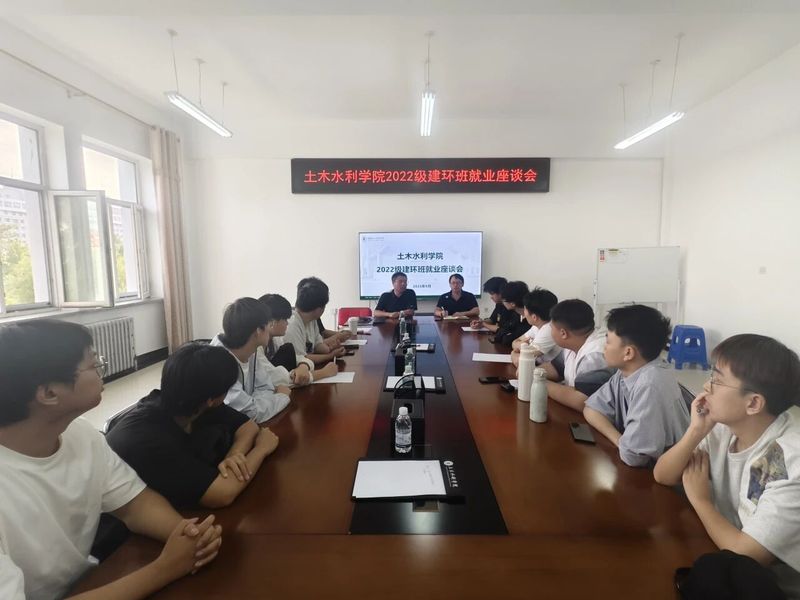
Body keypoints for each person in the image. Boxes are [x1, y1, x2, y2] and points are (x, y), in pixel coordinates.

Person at [0, 320, 222, 600]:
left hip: (89, 582)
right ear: (49, 393)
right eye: (94, 364)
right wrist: (165, 568)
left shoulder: (80, 434)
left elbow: (135, 504)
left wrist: (187, 535)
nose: (101, 369)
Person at [654, 334, 800, 597]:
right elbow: (663, 474)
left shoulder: (788, 459)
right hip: (720, 554)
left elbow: (746, 556)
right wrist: (696, 431)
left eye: (717, 380)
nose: (706, 386)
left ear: (753, 403)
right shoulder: (726, 426)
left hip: (767, 588)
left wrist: (701, 501)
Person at [106, 343, 280, 509]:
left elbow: (248, 427)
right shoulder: (149, 439)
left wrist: (234, 456)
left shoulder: (193, 400)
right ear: (212, 399)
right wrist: (261, 449)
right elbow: (223, 493)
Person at [583, 305, 689, 467]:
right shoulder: (626, 372)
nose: (604, 347)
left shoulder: (650, 383)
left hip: (664, 475)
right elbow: (591, 409)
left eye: (608, 341)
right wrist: (620, 441)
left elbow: (634, 457)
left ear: (628, 353)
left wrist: (625, 445)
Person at [210, 298, 292, 422]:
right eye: (269, 324)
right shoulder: (219, 363)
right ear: (258, 330)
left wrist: (256, 402)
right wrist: (282, 396)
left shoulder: (250, 349)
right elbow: (250, 413)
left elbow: (266, 388)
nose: (270, 328)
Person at [258, 293, 338, 386]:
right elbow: (278, 379)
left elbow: (300, 358)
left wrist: (303, 366)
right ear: (272, 322)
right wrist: (324, 373)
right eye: (285, 319)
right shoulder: (256, 349)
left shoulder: (275, 341)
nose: (287, 323)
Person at [543, 299, 607, 411]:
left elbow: (582, 400)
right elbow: (555, 368)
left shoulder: (595, 355)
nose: (550, 332)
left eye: (551, 328)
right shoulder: (573, 345)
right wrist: (530, 372)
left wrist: (538, 383)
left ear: (563, 333)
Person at [285, 282, 346, 365]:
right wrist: (330, 355)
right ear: (319, 309)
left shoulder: (312, 320)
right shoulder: (292, 325)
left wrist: (331, 349)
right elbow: (302, 359)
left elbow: (318, 345)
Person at [511, 287, 561, 367]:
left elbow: (522, 362)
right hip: (541, 367)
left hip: (551, 371)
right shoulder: (538, 325)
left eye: (525, 310)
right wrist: (522, 346)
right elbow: (514, 342)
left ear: (534, 317)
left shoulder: (549, 329)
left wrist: (513, 353)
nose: (524, 313)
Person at [296, 277, 350, 347]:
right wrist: (337, 336)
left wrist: (339, 335)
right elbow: (315, 346)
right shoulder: (298, 322)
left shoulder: (312, 319)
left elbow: (319, 341)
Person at [490, 281, 530, 346]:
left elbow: (507, 340)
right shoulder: (516, 314)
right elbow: (502, 331)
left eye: (503, 300)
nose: (502, 302)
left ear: (513, 304)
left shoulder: (530, 320)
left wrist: (507, 336)